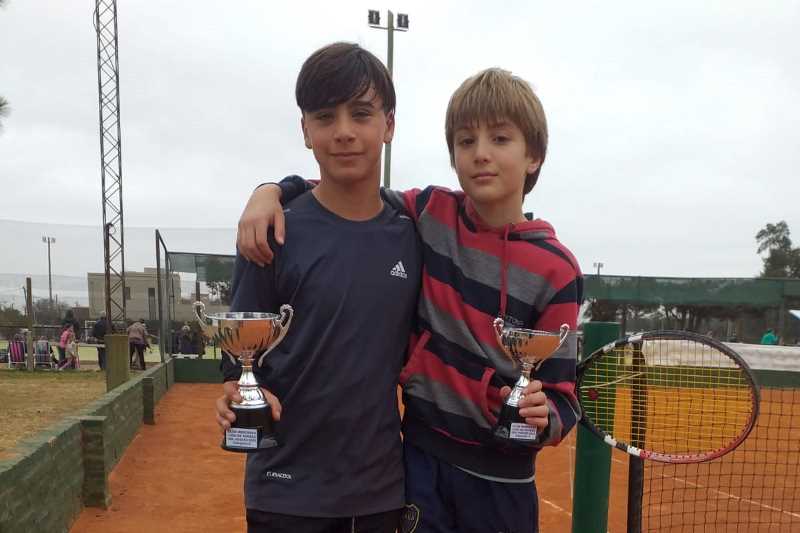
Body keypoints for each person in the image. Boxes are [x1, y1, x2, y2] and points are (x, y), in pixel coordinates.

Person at [236, 67, 582, 532]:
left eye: (500, 139)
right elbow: (349, 192)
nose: (481, 154)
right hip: (421, 462)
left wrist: (544, 415)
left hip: (503, 480)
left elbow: (563, 397)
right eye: (465, 141)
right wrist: (272, 190)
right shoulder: (430, 213)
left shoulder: (558, 270)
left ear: (534, 156)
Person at [215, 42, 422, 533]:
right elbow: (237, 361)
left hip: (379, 492)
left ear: (389, 125)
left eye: (362, 114)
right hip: (285, 492)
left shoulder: (413, 233)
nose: (344, 131)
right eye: (325, 117)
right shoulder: (270, 232)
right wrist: (235, 392)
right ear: (306, 130)